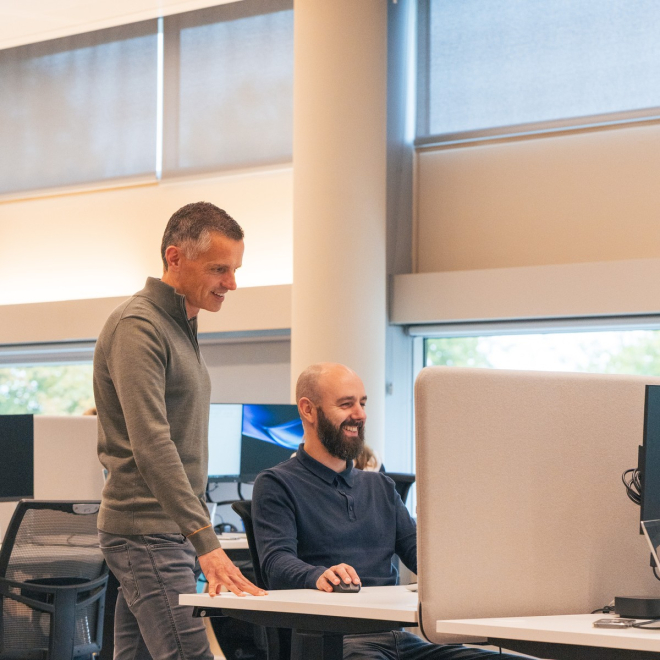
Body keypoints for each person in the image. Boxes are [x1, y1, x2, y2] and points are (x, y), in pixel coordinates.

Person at [252, 363, 529, 660]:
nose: (360, 414)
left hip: (399, 638)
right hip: (334, 642)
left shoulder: (380, 486)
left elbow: (421, 557)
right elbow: (276, 563)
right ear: (308, 410)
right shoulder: (277, 483)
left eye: (362, 403)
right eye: (346, 404)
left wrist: (476, 560)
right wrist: (318, 575)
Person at [94, 202, 265, 660]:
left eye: (234, 269)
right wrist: (206, 540)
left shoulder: (179, 323)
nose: (231, 283)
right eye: (219, 269)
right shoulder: (139, 326)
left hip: (163, 530)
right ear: (175, 258)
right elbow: (152, 445)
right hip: (147, 529)